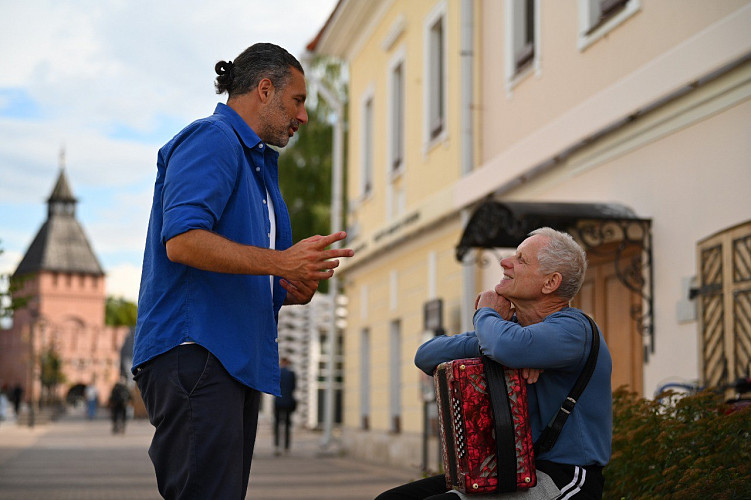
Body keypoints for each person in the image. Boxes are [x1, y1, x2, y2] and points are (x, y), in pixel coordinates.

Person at [132, 42, 354, 500]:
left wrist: (289, 286)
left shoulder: (254, 165)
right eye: (297, 100)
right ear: (265, 89)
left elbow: (237, 268)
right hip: (197, 353)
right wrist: (282, 261)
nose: (304, 116)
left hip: (224, 359)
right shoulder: (213, 139)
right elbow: (183, 240)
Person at [377, 227, 612, 500]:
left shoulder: (574, 330)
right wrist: (511, 347)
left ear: (550, 283)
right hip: (512, 471)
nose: (505, 262)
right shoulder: (508, 330)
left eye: (522, 260)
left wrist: (491, 319)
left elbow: (502, 345)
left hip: (565, 478)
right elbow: (426, 356)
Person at [273, 357, 297, 455]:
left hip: (278, 401)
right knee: (287, 424)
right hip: (288, 402)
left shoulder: (277, 372)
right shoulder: (291, 374)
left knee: (277, 424)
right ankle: (286, 446)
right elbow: (294, 387)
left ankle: (277, 445)